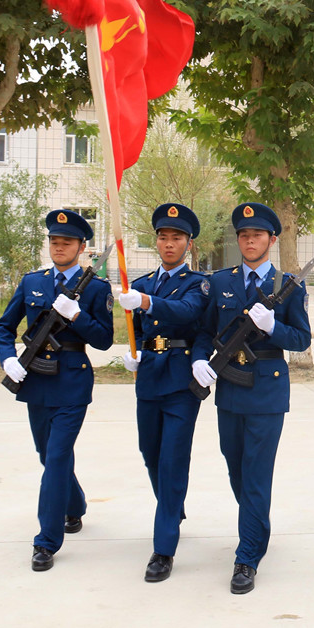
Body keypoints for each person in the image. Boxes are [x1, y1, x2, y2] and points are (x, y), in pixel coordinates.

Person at [191, 203, 311, 594]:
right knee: (236, 469)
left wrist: (273, 326)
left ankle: (247, 558)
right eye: (243, 235)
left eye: (257, 235)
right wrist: (198, 361)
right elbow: (203, 330)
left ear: (272, 240)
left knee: (257, 474)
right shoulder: (221, 281)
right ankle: (258, 527)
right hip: (228, 386)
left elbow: (301, 339)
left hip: (267, 391)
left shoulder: (289, 284)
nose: (249, 241)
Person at [0, 209, 114, 572]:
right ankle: (74, 506)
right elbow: (5, 327)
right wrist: (7, 359)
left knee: (58, 456)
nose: (59, 246)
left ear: (81, 247)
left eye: (66, 242)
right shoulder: (33, 280)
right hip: (35, 379)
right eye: (54, 241)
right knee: (48, 454)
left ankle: (46, 542)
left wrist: (79, 315)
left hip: (72, 381)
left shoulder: (95, 288)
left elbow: (105, 340)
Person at [116, 203, 210, 582]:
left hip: (181, 381)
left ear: (189, 244)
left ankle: (163, 547)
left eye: (177, 238)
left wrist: (147, 303)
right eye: (163, 237)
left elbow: (187, 313)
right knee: (150, 453)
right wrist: (133, 349)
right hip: (150, 378)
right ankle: (173, 504)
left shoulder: (197, 283)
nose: (169, 244)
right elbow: (135, 327)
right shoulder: (139, 284)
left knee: (172, 459)